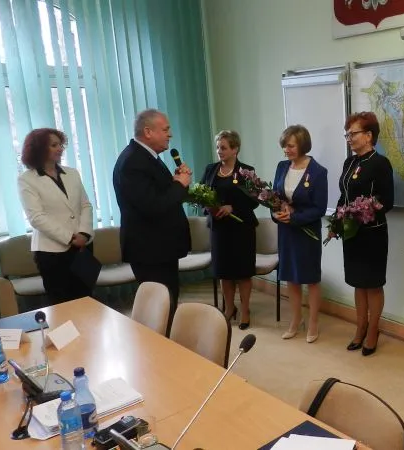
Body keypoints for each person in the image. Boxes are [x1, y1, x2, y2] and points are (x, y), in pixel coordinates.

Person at [113, 109, 191, 336]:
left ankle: (168, 347)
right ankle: (161, 351)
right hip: (150, 249)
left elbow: (161, 196)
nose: (170, 135)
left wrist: (177, 182)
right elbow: (153, 206)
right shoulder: (133, 161)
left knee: (168, 303)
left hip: (160, 247)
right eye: (165, 130)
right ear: (148, 132)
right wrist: (179, 185)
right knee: (159, 309)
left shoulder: (147, 157)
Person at [330, 112, 394, 355]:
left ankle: (373, 331)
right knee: (358, 282)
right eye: (347, 134)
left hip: (372, 234)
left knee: (373, 284)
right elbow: (344, 197)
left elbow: (387, 201)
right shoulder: (349, 163)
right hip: (351, 234)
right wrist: (337, 221)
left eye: (353, 134)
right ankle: (360, 328)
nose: (349, 138)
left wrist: (361, 211)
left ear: (368, 135)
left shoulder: (381, 163)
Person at [18, 128, 95, 305]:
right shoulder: (26, 179)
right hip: (52, 252)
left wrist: (84, 233)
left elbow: (85, 205)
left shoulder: (72, 173)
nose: (60, 148)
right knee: (62, 304)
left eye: (60, 144)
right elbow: (36, 217)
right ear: (39, 149)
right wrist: (70, 238)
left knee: (87, 300)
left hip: (82, 246)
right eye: (54, 145)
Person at [273, 125, 328, 343]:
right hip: (286, 231)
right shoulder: (282, 166)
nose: (286, 150)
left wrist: (294, 217)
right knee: (291, 277)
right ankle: (296, 320)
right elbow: (274, 197)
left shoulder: (318, 172)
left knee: (310, 279)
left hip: (307, 233)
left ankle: (313, 322)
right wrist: (276, 211)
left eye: (290, 146)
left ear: (303, 145)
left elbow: (319, 208)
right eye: (284, 146)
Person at [200, 130, 259, 329]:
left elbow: (255, 200)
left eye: (223, 148)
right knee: (223, 271)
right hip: (219, 229)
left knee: (242, 272)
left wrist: (233, 207)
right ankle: (229, 308)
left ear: (235, 149)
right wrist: (209, 207)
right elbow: (200, 195)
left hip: (241, 229)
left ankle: (245, 310)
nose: (219, 151)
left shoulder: (246, 171)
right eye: (218, 147)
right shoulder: (210, 170)